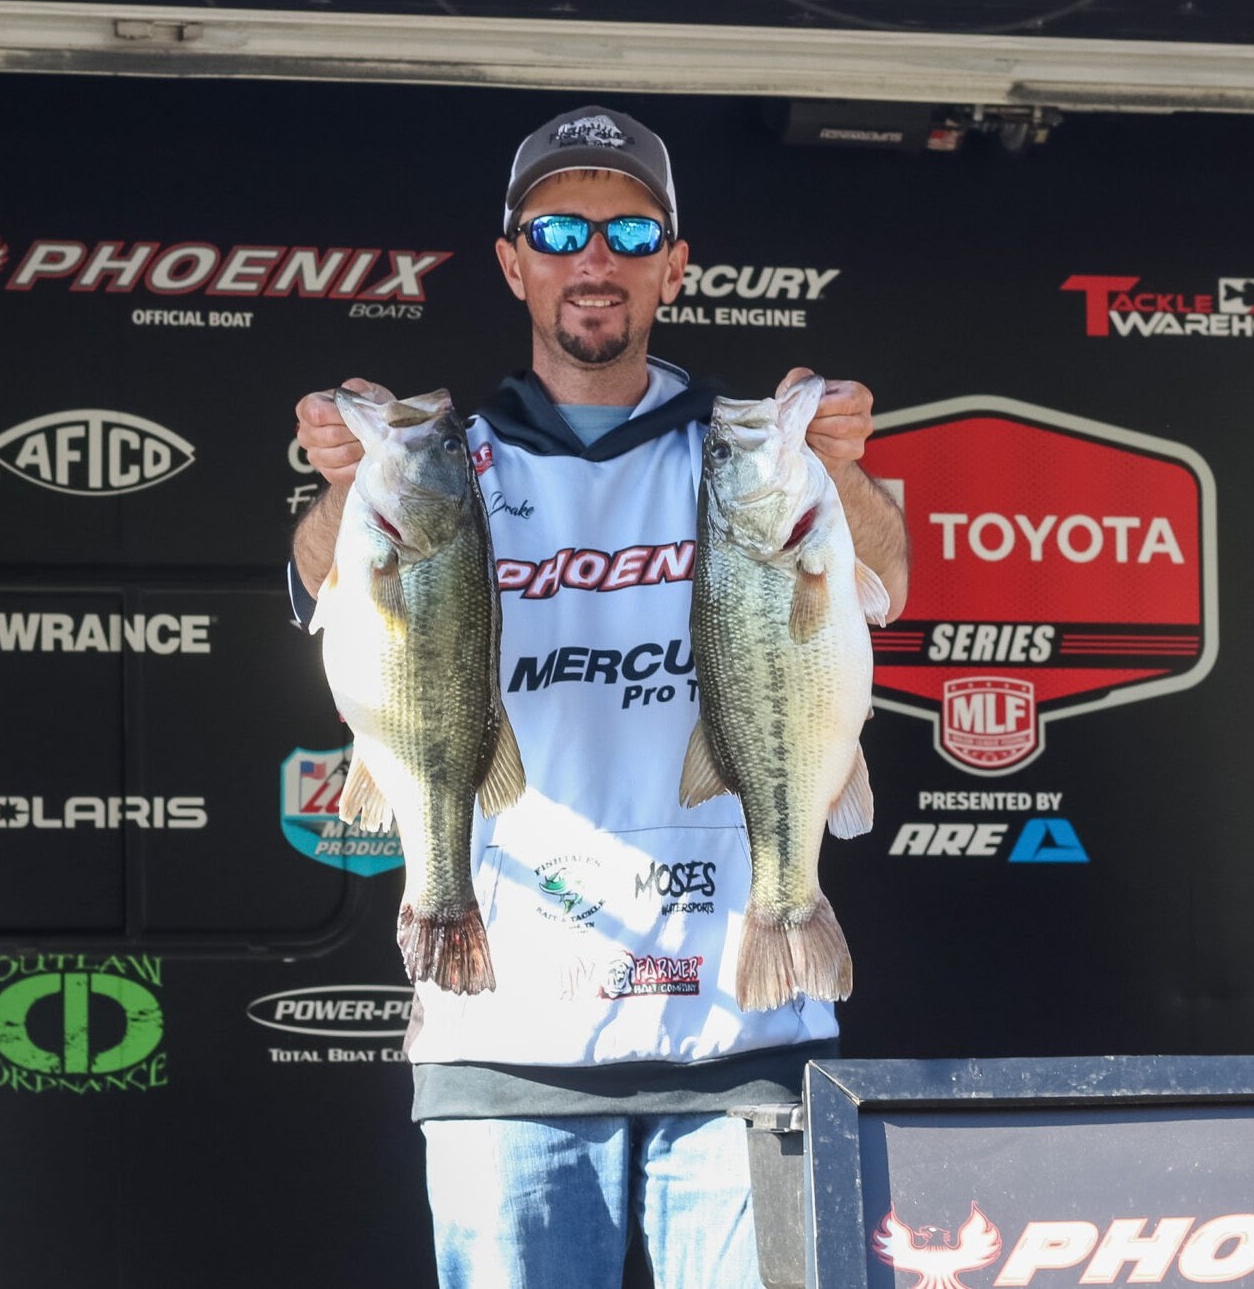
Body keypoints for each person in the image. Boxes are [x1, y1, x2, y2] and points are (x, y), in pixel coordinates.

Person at [291, 104, 909, 1289]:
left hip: (743, 1028)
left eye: (629, 233)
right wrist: (343, 485)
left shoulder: (735, 452)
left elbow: (884, 577)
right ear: (512, 261)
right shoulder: (450, 458)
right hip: (502, 1032)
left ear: (673, 266)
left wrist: (840, 469)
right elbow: (327, 583)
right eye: (559, 229)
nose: (594, 258)